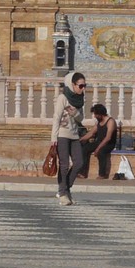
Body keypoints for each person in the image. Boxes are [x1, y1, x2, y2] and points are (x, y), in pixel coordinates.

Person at [50, 71, 86, 206]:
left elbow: (81, 118)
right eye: (80, 86)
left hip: (74, 134)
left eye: (84, 85)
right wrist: (53, 137)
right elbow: (56, 117)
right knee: (64, 165)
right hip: (62, 134)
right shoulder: (63, 98)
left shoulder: (80, 99)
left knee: (79, 163)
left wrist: (75, 113)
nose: (82, 88)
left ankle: (65, 189)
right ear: (72, 84)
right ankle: (63, 193)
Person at [78, 104, 117, 179]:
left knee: (101, 152)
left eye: (96, 114)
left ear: (101, 114)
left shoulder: (110, 121)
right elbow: (91, 133)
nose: (94, 116)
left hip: (109, 144)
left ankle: (102, 174)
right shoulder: (98, 122)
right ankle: (82, 173)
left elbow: (108, 138)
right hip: (99, 142)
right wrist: (80, 139)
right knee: (85, 149)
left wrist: (98, 149)